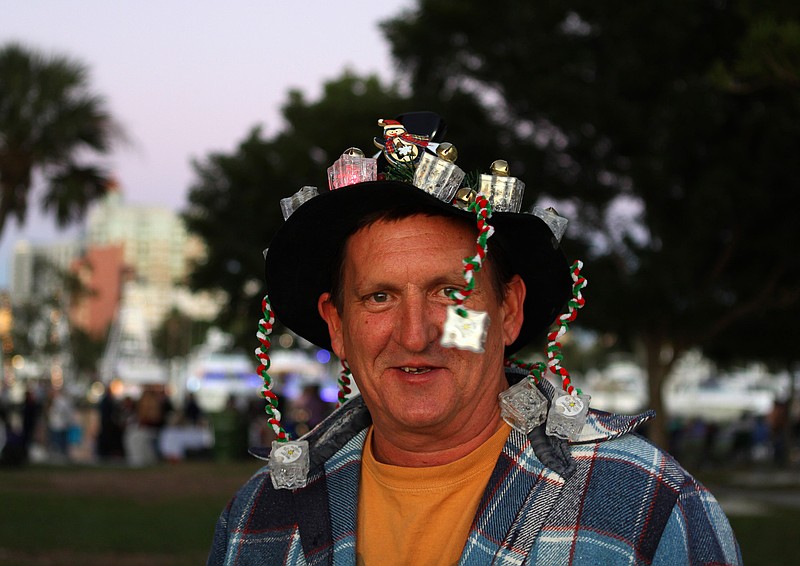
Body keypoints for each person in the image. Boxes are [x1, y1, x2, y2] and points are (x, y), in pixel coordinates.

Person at [208, 112, 741, 565]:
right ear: (338, 326)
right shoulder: (256, 520)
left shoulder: (648, 506)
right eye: (379, 298)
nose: (415, 335)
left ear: (508, 312)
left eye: (452, 293)